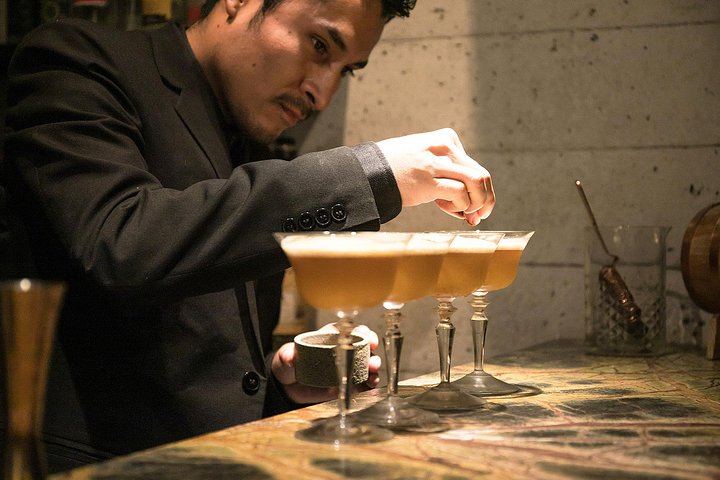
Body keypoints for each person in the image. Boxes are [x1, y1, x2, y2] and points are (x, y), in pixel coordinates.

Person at [1, 0, 496, 472]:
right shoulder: (75, 60)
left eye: (345, 71)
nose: (322, 94)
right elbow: (121, 244)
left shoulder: (248, 132)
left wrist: (280, 385)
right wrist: (371, 172)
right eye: (320, 46)